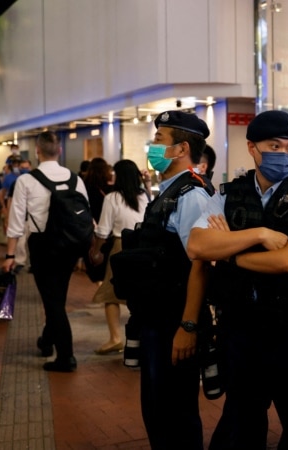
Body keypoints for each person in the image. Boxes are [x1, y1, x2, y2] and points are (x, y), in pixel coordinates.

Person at [187, 110, 288, 450]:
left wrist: (231, 254)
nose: (284, 153)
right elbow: (197, 245)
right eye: (274, 145)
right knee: (244, 418)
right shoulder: (228, 193)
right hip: (240, 328)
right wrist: (261, 234)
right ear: (252, 147)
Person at [116, 110, 214, 449]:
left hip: (175, 321)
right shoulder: (168, 192)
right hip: (157, 318)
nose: (152, 147)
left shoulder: (191, 195)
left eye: (159, 140)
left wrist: (188, 327)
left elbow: (199, 264)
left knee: (176, 415)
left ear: (181, 148)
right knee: (158, 409)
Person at [2, 132, 90, 372]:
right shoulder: (75, 179)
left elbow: (16, 222)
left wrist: (10, 256)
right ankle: (46, 340)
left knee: (53, 302)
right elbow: (85, 214)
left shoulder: (27, 181)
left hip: (43, 246)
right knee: (56, 297)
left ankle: (66, 357)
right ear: (59, 150)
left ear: (38, 151)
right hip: (70, 247)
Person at [88, 160, 149, 355]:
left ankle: (115, 338)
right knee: (141, 294)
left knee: (111, 294)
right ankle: (142, 338)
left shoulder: (112, 198)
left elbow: (103, 231)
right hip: (143, 246)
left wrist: (95, 251)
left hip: (120, 247)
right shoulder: (143, 197)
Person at [82, 158, 114, 283]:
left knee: (94, 261)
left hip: (91, 230)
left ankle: (100, 285)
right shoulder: (111, 189)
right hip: (108, 231)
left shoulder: (84, 187)